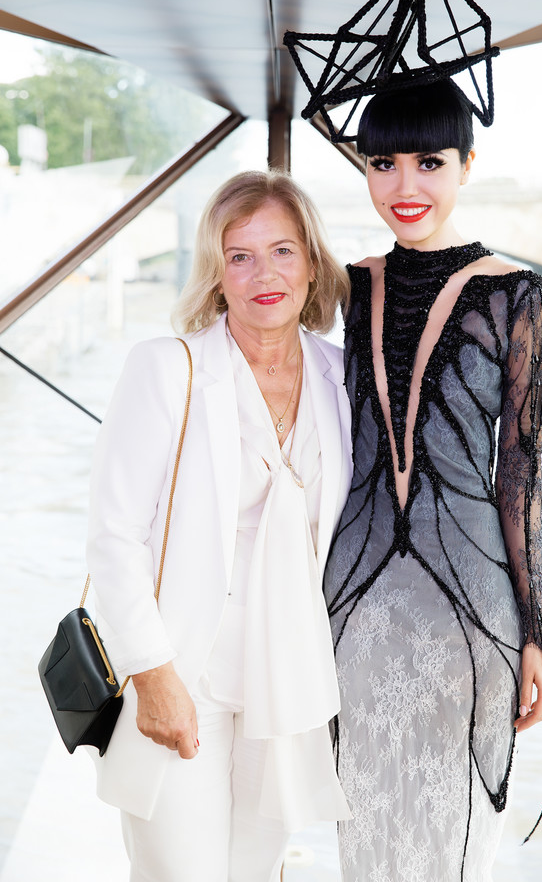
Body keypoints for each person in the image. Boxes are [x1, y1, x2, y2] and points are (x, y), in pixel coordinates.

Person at [322, 79, 542, 881]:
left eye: (429, 161)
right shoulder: (347, 286)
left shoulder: (516, 293)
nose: (404, 186)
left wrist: (540, 635)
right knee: (362, 834)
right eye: (382, 162)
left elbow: (522, 480)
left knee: (451, 842)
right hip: (349, 607)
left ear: (467, 162)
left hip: (471, 610)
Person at [86, 169, 352, 882]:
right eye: (240, 255)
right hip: (184, 673)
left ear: (312, 262)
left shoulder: (341, 377)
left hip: (284, 681)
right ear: (216, 273)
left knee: (257, 874)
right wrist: (153, 676)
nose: (264, 273)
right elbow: (114, 536)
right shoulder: (167, 369)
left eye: (283, 251)